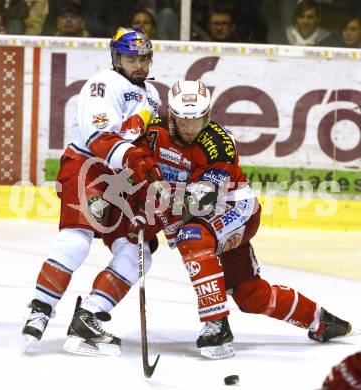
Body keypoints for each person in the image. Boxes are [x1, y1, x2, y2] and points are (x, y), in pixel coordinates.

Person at [123, 79, 351, 359]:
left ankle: (216, 324)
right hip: (198, 216)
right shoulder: (154, 133)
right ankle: (319, 320)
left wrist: (153, 204)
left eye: (198, 119)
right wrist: (138, 192)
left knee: (192, 236)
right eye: (184, 120)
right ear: (172, 116)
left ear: (207, 114)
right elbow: (134, 165)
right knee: (249, 294)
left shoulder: (219, 142)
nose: (192, 128)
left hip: (234, 209)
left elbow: (198, 203)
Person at [21, 27, 161, 355]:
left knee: (139, 253)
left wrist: (146, 181)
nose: (139, 64)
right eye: (131, 58)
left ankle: (89, 315)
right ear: (116, 58)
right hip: (88, 167)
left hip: (124, 177)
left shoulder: (153, 97)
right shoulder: (103, 84)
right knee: (76, 239)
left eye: (144, 58)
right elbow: (100, 138)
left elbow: (145, 147)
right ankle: (41, 308)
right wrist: (136, 160)